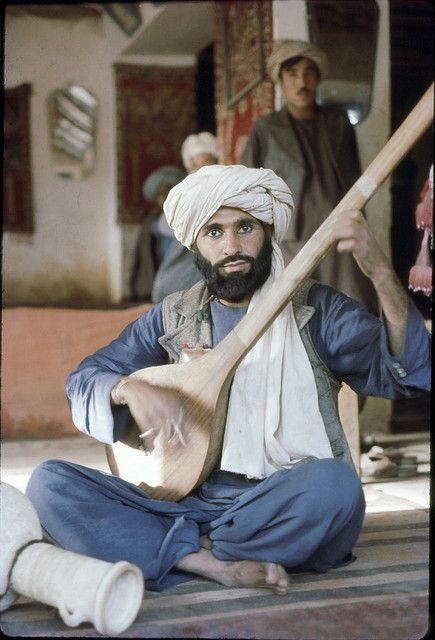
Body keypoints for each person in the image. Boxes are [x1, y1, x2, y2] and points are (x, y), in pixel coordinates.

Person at [26, 165, 430, 596]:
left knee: (337, 488)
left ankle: (167, 551)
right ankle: (211, 561)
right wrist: (127, 388)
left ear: (268, 230)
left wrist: (380, 274)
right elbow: (83, 381)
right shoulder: (173, 316)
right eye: (214, 232)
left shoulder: (317, 311)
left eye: (244, 227)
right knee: (50, 483)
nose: (232, 246)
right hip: (183, 504)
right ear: (195, 245)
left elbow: (410, 373)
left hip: (275, 502)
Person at [241, 39, 378, 314]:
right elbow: (246, 188)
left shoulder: (337, 122)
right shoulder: (265, 129)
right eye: (292, 74)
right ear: (280, 80)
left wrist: (359, 221)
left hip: (338, 229)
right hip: (291, 236)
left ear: (317, 78)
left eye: (309, 73)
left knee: (352, 305)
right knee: (299, 311)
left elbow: (355, 178)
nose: (301, 82)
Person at [151, 132, 220, 302]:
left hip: (216, 251)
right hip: (188, 253)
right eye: (194, 167)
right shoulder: (186, 193)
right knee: (164, 286)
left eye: (206, 164)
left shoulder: (224, 188)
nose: (200, 171)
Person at [130, 165, 186, 301]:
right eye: (160, 194)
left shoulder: (187, 217)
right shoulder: (153, 222)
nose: (165, 197)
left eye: (168, 191)